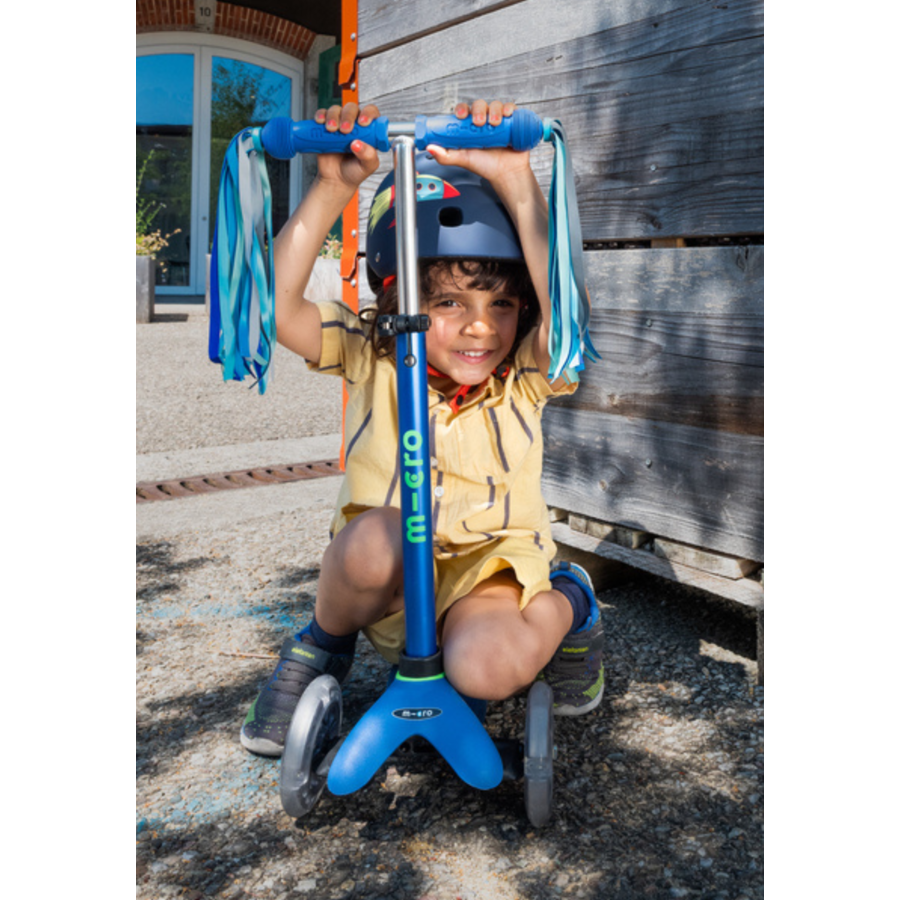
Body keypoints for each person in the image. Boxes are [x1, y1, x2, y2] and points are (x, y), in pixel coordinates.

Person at [241, 100, 604, 757]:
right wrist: (333, 186)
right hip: (388, 581)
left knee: (487, 672)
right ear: (400, 297)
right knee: (373, 539)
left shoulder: (523, 372)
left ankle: (572, 599)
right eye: (448, 302)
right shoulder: (368, 351)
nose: (480, 327)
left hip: (486, 578)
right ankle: (322, 645)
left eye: (501, 303)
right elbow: (275, 307)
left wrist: (520, 181)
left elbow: (567, 315)